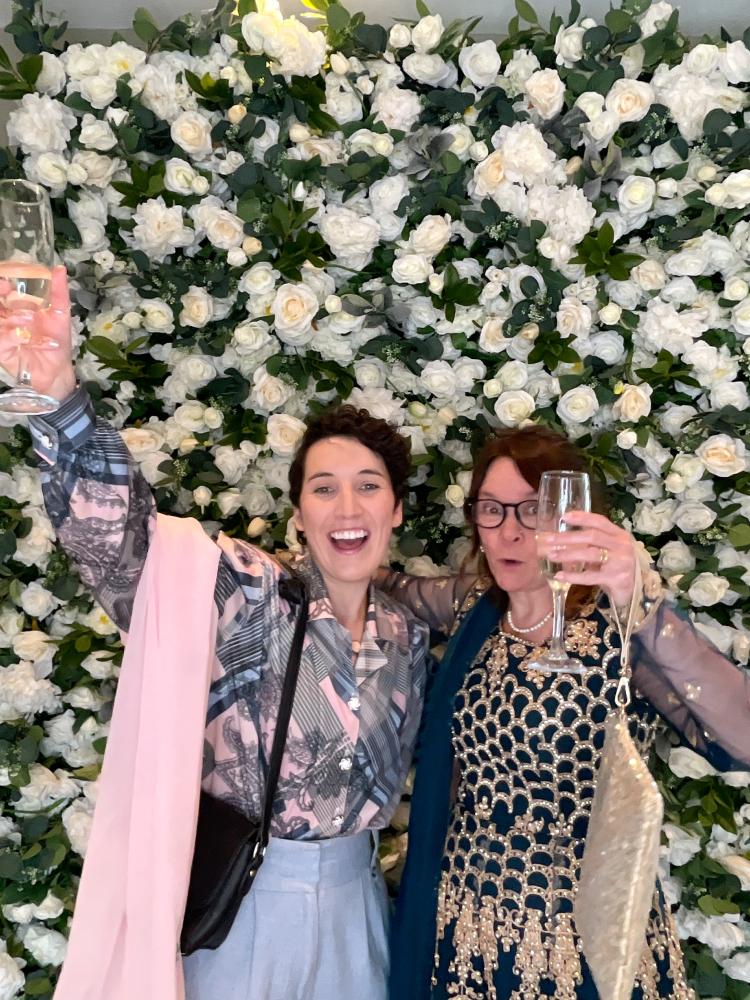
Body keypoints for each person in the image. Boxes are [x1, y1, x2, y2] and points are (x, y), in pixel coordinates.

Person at [3, 267, 430, 1000]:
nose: (346, 507)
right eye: (323, 489)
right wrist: (60, 401)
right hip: (251, 898)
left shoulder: (408, 634)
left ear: (395, 510)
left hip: (359, 902)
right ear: (299, 515)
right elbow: (128, 549)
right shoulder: (247, 592)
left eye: (368, 486)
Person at [381, 423, 750, 1000]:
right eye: (491, 509)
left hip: (590, 946)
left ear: (575, 520)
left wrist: (641, 604)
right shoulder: (474, 606)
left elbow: (743, 738)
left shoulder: (619, 626)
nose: (510, 532)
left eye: (533, 510)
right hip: (465, 938)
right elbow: (380, 584)